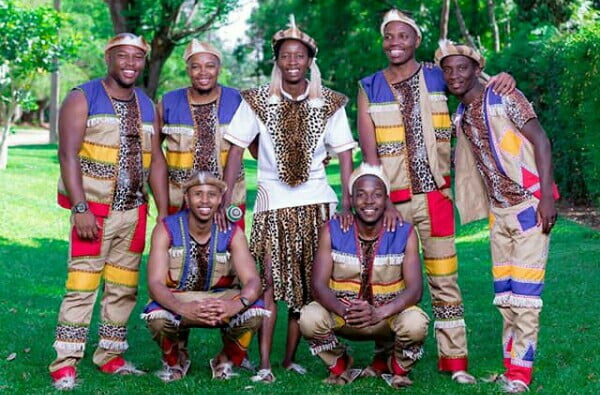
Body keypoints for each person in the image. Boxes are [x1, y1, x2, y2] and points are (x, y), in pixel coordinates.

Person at [357, 9, 516, 383]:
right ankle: (389, 357)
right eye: (388, 36)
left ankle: (455, 362)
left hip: (436, 198)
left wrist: (503, 79)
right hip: (392, 205)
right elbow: (370, 157)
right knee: (387, 278)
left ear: (416, 40)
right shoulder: (368, 86)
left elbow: (477, 88)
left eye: (403, 36)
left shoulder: (436, 74)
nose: (395, 43)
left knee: (445, 280)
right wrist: (385, 205)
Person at [220, 16, 356, 382]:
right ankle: (264, 364)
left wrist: (346, 201)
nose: (292, 61)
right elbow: (234, 149)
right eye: (285, 55)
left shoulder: (330, 102)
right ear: (277, 61)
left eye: (299, 55)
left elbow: (344, 154)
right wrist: (225, 194)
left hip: (318, 202)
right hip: (271, 202)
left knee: (308, 285)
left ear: (310, 60)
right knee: (268, 286)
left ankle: (289, 359)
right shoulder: (258, 101)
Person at [435, 40, 559, 393]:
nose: (455, 75)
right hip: (499, 214)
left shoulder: (505, 97)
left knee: (525, 296)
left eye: (462, 68)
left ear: (477, 69)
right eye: (448, 69)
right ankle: (511, 367)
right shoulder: (460, 115)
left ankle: (521, 376)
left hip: (529, 208)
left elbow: (542, 141)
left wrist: (546, 197)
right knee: (505, 296)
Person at [51, 33, 169, 390]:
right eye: (123, 56)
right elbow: (67, 155)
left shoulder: (148, 106)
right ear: (109, 59)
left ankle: (109, 354)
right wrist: (80, 207)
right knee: (82, 284)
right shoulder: (82, 97)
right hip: (94, 212)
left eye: (137, 57)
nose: (130, 63)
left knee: (123, 287)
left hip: (133, 212)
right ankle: (65, 362)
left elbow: (156, 162)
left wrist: (163, 213)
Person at [299, 163, 429, 388]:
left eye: (377, 195)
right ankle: (340, 363)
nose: (369, 201)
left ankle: (396, 366)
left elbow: (415, 290)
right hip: (345, 314)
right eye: (361, 195)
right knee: (309, 318)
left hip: (386, 316)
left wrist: (380, 312)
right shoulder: (332, 230)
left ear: (386, 199)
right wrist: (345, 310)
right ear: (352, 199)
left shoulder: (404, 232)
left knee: (416, 322)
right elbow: (318, 286)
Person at [141, 171, 268, 382]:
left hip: (220, 300)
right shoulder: (166, 229)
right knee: (157, 315)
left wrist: (234, 306)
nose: (205, 200)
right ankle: (175, 361)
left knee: (255, 310)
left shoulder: (232, 232)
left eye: (212, 194)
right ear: (187, 199)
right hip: (181, 298)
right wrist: (182, 308)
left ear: (220, 200)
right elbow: (154, 283)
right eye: (198, 194)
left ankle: (226, 360)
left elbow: (253, 281)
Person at [159, 40, 247, 228]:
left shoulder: (238, 100)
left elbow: (256, 148)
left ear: (219, 68)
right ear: (188, 70)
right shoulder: (169, 102)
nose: (203, 72)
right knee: (182, 254)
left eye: (210, 66)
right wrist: (162, 206)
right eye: (196, 67)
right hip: (181, 201)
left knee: (228, 252)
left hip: (229, 199)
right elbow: (153, 152)